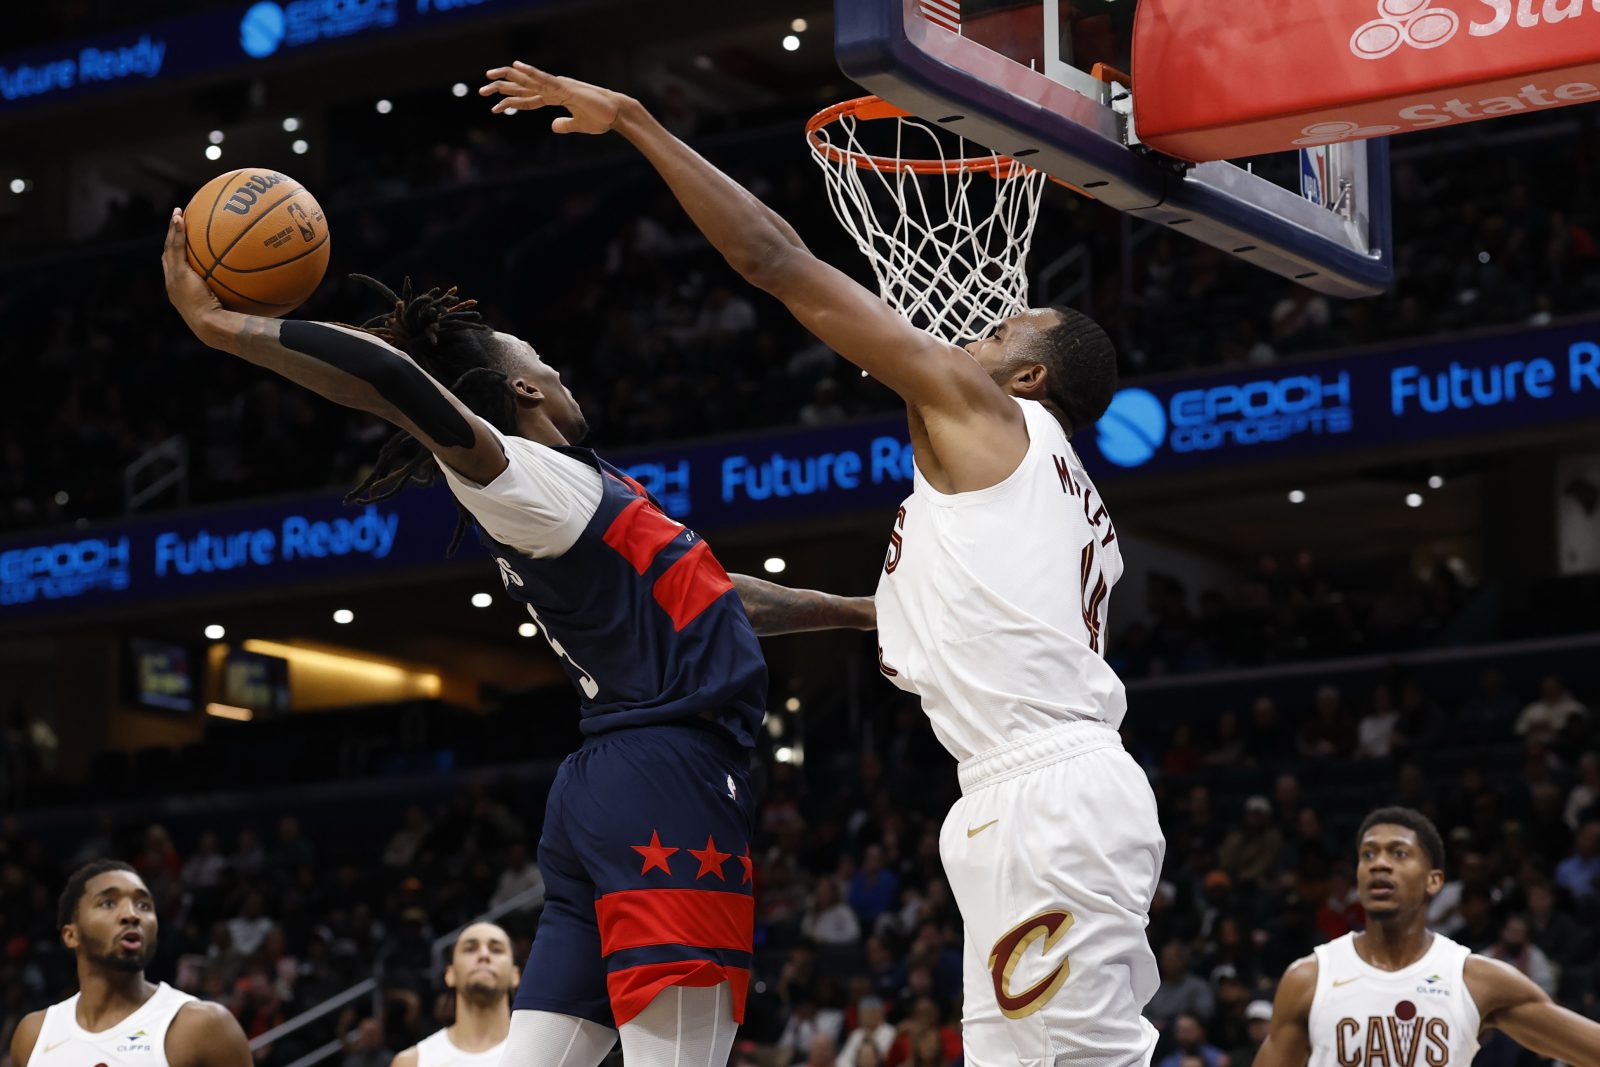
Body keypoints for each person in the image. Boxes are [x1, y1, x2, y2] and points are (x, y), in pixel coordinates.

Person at [480, 60, 1163, 1067]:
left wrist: (634, 117)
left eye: (1005, 329)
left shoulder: (991, 415)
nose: (978, 323)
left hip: (1047, 800)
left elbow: (773, 258)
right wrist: (835, 610)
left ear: (1028, 378)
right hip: (1025, 796)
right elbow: (877, 616)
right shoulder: (1030, 496)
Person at [162, 216, 874, 1066]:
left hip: (606, 784)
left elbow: (722, 596)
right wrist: (221, 327)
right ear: (526, 392)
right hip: (665, 770)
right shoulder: (526, 479)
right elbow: (392, 378)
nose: (558, 368)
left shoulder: (586, 491)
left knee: (537, 1055)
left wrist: (858, 611)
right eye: (544, 360)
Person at [1253, 807, 1600, 1067]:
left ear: (1433, 881)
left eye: (1398, 853)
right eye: (1368, 854)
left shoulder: (1477, 980)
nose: (1379, 864)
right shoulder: (1309, 978)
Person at [8, 860, 253, 1067]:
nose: (132, 915)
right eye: (108, 903)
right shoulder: (33, 1034)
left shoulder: (203, 1026)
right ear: (71, 935)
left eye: (143, 905)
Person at [391, 923, 516, 1067]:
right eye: (470, 949)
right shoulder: (411, 1062)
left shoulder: (542, 1051)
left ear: (515, 975)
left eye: (496, 950)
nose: (484, 955)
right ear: (450, 974)